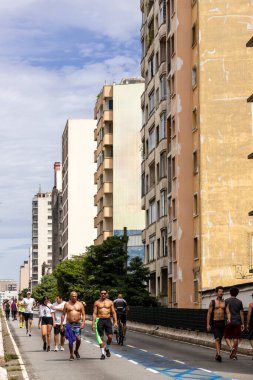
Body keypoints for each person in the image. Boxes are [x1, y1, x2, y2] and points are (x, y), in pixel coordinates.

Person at [92, 289, 117, 360]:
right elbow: (94, 313)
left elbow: (114, 312)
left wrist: (115, 322)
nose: (103, 294)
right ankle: (102, 354)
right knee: (101, 338)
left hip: (108, 320)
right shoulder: (97, 302)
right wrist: (93, 324)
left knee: (110, 337)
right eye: (102, 293)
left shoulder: (110, 302)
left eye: (104, 293)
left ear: (107, 294)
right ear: (100, 294)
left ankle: (107, 348)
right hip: (100, 320)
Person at [207, 286, 229, 362]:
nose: (221, 293)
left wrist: (229, 319)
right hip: (215, 322)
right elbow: (209, 314)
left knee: (220, 340)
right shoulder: (212, 302)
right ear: (216, 293)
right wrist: (208, 324)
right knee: (217, 338)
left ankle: (217, 353)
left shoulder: (225, 302)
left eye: (222, 292)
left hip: (222, 323)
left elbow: (228, 312)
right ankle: (219, 354)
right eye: (219, 291)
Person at [61, 291, 85, 361]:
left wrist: (83, 323)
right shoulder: (67, 304)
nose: (74, 297)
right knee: (70, 340)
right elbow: (63, 314)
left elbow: (83, 314)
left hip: (77, 324)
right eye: (73, 296)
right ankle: (71, 354)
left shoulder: (80, 304)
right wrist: (62, 324)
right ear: (70, 296)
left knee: (78, 339)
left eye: (75, 296)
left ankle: (76, 350)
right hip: (69, 324)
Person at [224, 287, 244, 360]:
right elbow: (241, 313)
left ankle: (231, 348)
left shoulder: (226, 301)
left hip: (229, 321)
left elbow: (224, 312)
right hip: (237, 322)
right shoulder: (239, 302)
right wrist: (242, 324)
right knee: (236, 338)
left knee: (226, 337)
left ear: (230, 293)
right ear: (237, 293)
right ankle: (234, 355)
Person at [246, 293, 253, 359]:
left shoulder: (251, 304)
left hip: (252, 323)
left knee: (251, 338)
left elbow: (249, 315)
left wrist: (247, 324)